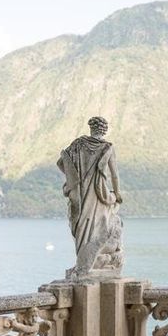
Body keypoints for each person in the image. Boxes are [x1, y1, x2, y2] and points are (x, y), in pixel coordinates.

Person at [57, 116, 123, 279]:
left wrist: (74, 177)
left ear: (91, 128)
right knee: (97, 228)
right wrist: (118, 193)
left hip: (79, 193)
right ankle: (84, 266)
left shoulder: (78, 144)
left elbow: (61, 162)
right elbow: (114, 175)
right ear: (104, 130)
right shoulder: (107, 147)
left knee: (81, 229)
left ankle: (83, 265)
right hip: (98, 195)